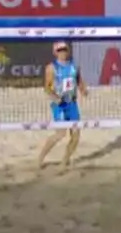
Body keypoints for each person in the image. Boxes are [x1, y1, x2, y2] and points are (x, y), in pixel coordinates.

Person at [36, 41, 86, 171]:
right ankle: (40, 158)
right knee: (60, 134)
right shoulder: (51, 68)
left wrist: (83, 89)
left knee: (76, 136)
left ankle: (64, 162)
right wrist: (55, 97)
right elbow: (47, 87)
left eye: (64, 50)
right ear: (55, 52)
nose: (62, 52)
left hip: (72, 103)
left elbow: (79, 80)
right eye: (59, 50)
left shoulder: (74, 66)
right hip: (60, 104)